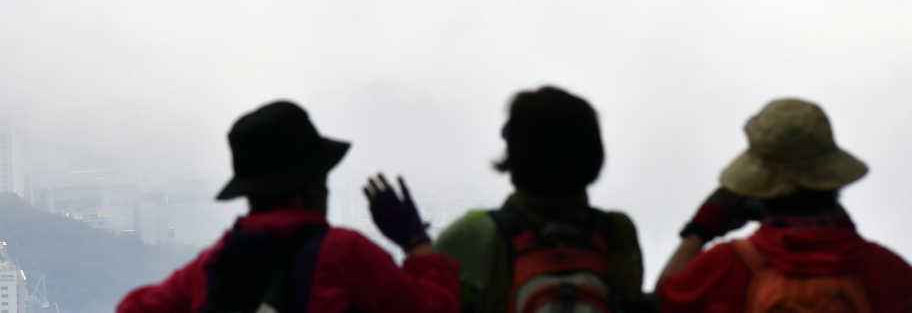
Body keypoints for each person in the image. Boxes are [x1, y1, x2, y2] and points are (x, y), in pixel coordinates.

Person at [116, 100, 460, 313]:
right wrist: (416, 242)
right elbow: (435, 308)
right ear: (313, 185)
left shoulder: (213, 265)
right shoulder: (344, 254)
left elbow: (133, 308)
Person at [656, 98, 912, 312]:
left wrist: (702, 226)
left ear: (758, 187)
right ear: (832, 181)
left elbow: (665, 299)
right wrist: (843, 227)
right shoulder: (885, 271)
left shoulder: (726, 265)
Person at [433, 86, 644, 313]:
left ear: (516, 154)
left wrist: (415, 243)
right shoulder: (617, 232)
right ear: (593, 152)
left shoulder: (473, 235)